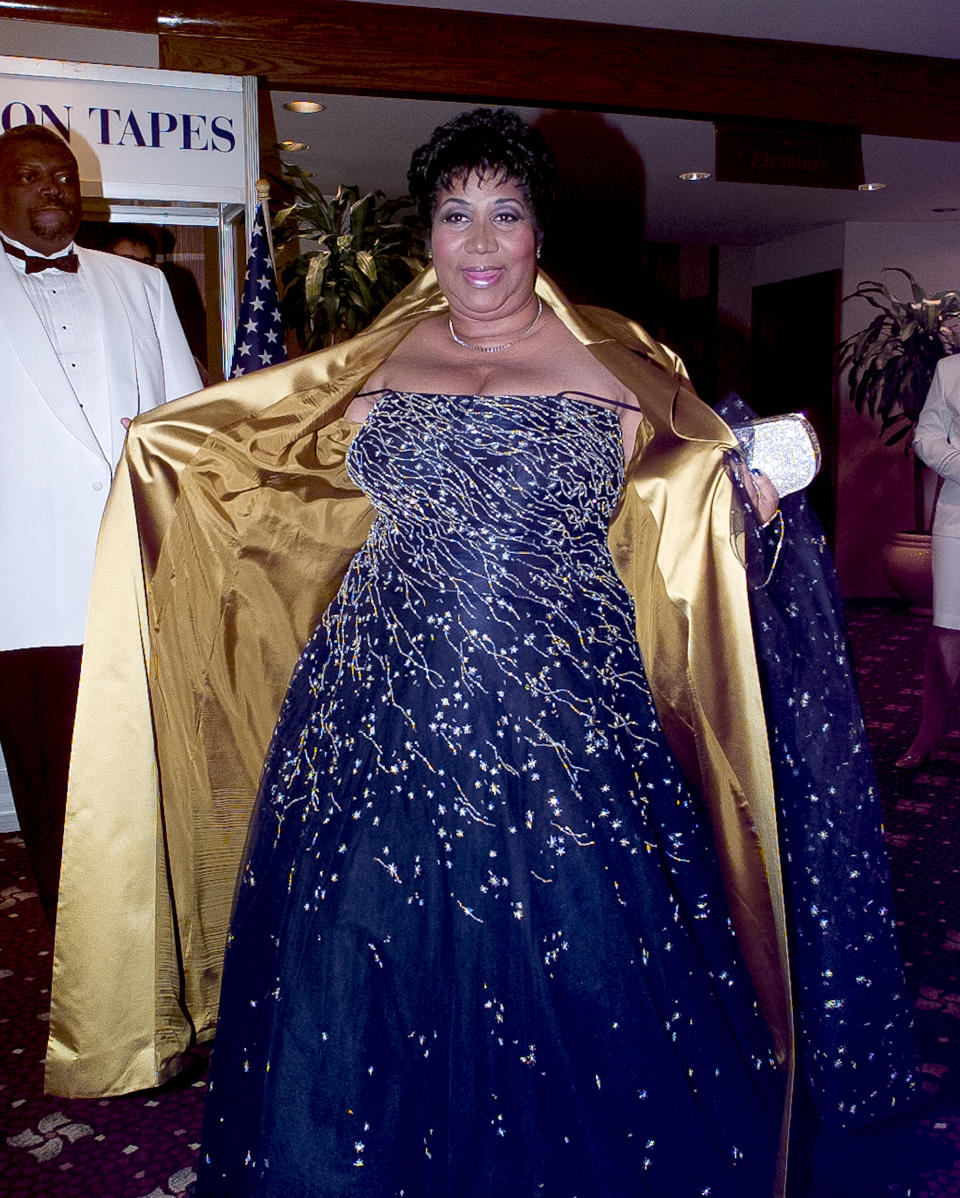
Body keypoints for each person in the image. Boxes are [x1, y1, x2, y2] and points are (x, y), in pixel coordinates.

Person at [46, 111, 913, 1195]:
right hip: (378, 693)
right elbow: (255, 464)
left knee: (583, 940)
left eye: (506, 213)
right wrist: (156, 454)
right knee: (365, 934)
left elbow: (714, 464)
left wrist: (739, 487)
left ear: (539, 233)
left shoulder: (619, 356)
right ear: (430, 235)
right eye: (457, 215)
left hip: (564, 697)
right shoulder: (371, 360)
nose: (482, 240)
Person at [0, 124, 201, 924]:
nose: (53, 187)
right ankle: (78, 951)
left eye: (65, 174)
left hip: (136, 576)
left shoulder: (141, 285)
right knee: (55, 781)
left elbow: (186, 426)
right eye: (29, 174)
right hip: (27, 583)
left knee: (147, 772)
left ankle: (158, 938)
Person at [898, 352, 960, 767]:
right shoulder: (950, 369)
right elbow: (927, 434)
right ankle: (927, 732)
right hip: (959, 513)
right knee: (948, 628)